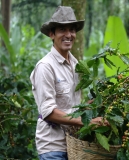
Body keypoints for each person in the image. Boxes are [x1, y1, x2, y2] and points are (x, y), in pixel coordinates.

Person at [30, 6, 106, 160]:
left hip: (74, 145)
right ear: (52, 34)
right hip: (53, 147)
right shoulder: (45, 67)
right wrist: (88, 123)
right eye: (62, 30)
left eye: (72, 30)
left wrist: (95, 103)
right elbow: (49, 112)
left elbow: (72, 105)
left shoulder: (75, 64)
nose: (68, 35)